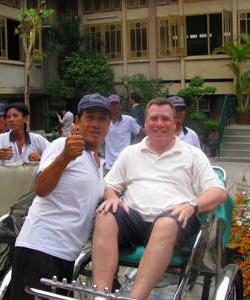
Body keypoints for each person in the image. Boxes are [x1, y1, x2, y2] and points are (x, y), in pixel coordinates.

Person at [92, 97, 227, 300]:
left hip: (175, 222)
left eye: (165, 118)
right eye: (154, 118)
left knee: (165, 222)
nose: (159, 123)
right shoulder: (130, 153)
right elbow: (109, 185)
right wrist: (111, 197)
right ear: (145, 124)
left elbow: (219, 192)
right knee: (105, 214)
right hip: (135, 220)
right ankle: (101, 296)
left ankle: (135, 298)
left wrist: (192, 205)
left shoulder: (192, 155)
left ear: (175, 124)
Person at [9, 93, 111, 300]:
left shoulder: (99, 162)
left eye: (102, 118)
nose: (96, 124)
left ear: (109, 124)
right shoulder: (61, 146)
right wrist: (64, 157)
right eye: (90, 117)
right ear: (77, 122)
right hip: (41, 248)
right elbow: (41, 188)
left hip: (68, 256)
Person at [0, 102, 49, 167]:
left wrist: (41, 158)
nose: (11, 120)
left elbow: (55, 155)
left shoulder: (36, 139)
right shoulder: (2, 138)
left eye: (15, 116)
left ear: (25, 118)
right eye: (8, 117)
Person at [104, 94, 141, 174]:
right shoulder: (104, 122)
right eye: (111, 104)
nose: (114, 106)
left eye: (116, 103)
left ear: (121, 105)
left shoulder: (128, 120)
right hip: (109, 165)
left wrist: (132, 146)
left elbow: (138, 132)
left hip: (124, 163)